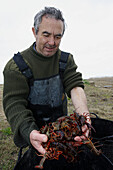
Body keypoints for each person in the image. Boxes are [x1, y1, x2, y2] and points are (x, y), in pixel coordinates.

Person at [3, 7, 91, 169]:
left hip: (62, 130)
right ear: (34, 32)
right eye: (46, 34)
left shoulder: (65, 60)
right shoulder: (16, 66)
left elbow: (75, 86)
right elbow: (14, 103)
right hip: (33, 130)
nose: (52, 42)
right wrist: (29, 132)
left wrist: (83, 116)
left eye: (58, 36)